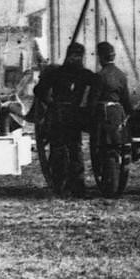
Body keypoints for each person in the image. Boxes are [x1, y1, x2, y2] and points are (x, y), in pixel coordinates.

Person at [33, 42, 95, 196]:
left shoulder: (60, 73)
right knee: (65, 149)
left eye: (78, 56)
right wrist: (51, 103)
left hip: (63, 115)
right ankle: (66, 186)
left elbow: (39, 90)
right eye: (74, 56)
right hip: (65, 115)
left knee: (71, 149)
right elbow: (39, 90)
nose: (75, 59)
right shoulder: (81, 74)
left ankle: (69, 186)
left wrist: (50, 103)